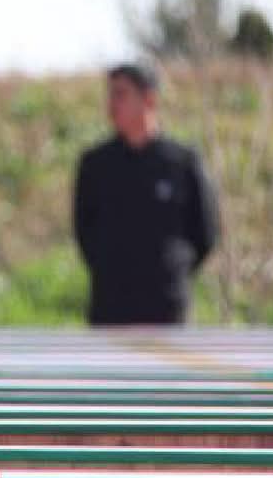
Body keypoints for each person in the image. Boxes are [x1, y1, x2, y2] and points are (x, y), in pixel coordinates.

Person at [71, 63, 220, 326]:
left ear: (149, 99)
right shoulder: (95, 164)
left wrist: (171, 269)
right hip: (110, 309)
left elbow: (205, 233)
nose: (111, 104)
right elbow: (84, 231)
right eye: (110, 95)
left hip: (166, 309)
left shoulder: (182, 162)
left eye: (121, 94)